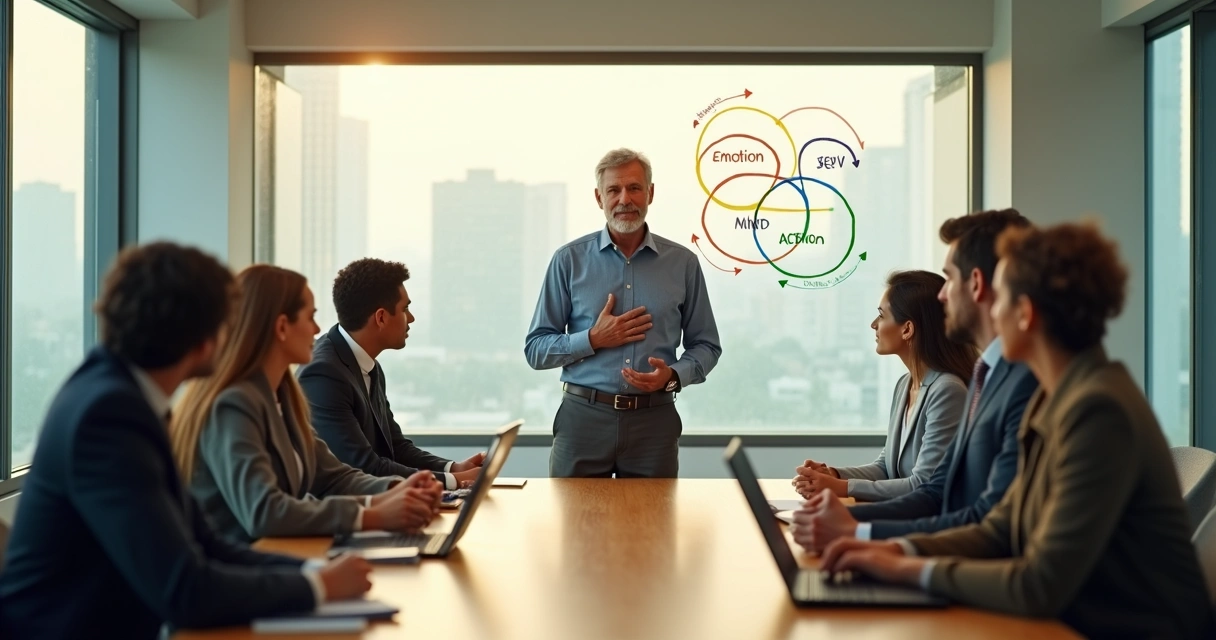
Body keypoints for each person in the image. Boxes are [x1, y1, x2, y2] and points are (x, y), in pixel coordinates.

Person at [818, 222, 1213, 640]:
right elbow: (999, 529)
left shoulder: (1099, 410)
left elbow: (1038, 584)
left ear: (1024, 313)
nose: (990, 309)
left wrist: (902, 566)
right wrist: (888, 550)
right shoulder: (1060, 398)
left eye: (1000, 297)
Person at [0, 243, 372, 639]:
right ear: (201, 336)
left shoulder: (123, 394)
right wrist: (318, 588)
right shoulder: (108, 415)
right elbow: (184, 590)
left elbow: (205, 542)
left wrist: (313, 571)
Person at [791, 209, 1038, 551]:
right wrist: (838, 496)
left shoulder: (983, 387)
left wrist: (855, 526)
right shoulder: (985, 376)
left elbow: (972, 513)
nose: (942, 295)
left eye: (949, 279)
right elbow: (930, 488)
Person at [171, 265, 444, 544]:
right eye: (311, 317)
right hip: (239, 571)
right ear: (281, 327)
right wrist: (371, 515)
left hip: (278, 559)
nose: (316, 330)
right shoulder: (232, 405)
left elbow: (333, 478)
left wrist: (400, 489)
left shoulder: (284, 395)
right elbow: (265, 511)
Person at [524, 148, 722, 478]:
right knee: (575, 527)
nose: (624, 199)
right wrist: (593, 339)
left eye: (634, 188)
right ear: (599, 197)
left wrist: (673, 376)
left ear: (651, 193)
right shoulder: (568, 260)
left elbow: (707, 346)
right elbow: (536, 349)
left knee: (652, 528)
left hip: (654, 422)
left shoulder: (683, 264)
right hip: (582, 421)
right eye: (614, 190)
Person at [298, 258, 484, 489]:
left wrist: (453, 468)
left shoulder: (368, 364)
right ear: (381, 317)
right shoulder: (323, 374)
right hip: (340, 517)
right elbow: (363, 466)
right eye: (405, 309)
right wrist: (452, 482)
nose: (412, 318)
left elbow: (395, 447)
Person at [792, 271, 972, 502]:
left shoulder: (947, 390)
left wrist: (842, 487)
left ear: (907, 329)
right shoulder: (904, 385)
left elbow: (923, 485)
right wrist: (833, 475)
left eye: (881, 315)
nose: (873, 324)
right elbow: (886, 468)